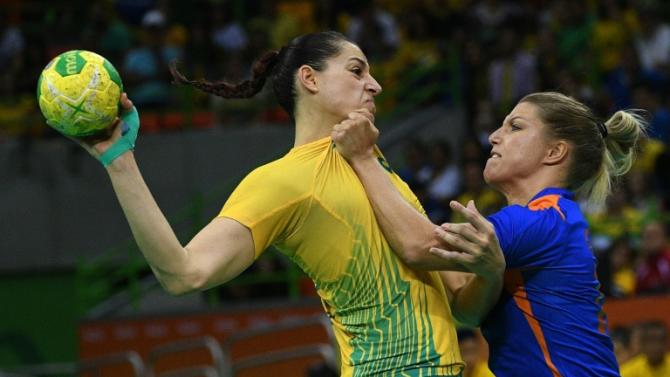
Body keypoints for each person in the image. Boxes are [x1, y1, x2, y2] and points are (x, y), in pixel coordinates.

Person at [62, 31, 506, 376]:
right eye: (357, 71)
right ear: (309, 78)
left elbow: (463, 304)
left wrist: (488, 271)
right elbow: (184, 273)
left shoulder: (373, 162)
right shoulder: (281, 181)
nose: (376, 84)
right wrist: (120, 164)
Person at [332, 91, 647, 376]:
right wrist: (489, 275)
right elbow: (464, 305)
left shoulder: (540, 221)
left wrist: (364, 157)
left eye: (515, 127)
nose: (495, 136)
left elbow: (419, 246)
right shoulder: (548, 221)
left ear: (554, 152)